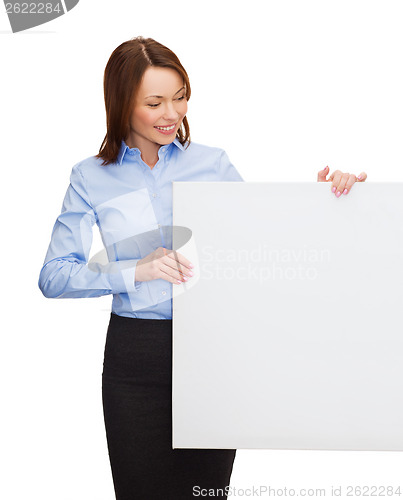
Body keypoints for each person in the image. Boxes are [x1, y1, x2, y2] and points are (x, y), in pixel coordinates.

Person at [38, 36, 367, 499]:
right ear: (121, 103)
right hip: (136, 358)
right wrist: (135, 270)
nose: (172, 113)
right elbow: (54, 275)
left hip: (213, 352)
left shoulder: (212, 164)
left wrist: (324, 201)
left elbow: (263, 245)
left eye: (180, 97)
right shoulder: (90, 176)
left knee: (205, 495)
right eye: (154, 102)